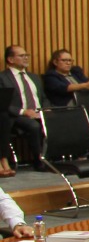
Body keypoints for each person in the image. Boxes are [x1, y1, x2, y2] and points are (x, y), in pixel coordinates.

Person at [0, 46, 47, 175]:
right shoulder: (2, 77)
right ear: (10, 59)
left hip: (40, 112)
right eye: (21, 55)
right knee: (33, 126)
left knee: (63, 119)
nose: (26, 58)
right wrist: (23, 112)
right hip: (17, 116)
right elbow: (3, 103)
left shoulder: (34, 77)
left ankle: (60, 157)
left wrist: (47, 110)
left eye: (27, 55)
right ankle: (38, 161)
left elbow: (43, 97)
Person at [42, 50, 89, 128]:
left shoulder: (75, 73)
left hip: (87, 105)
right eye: (64, 60)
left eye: (70, 60)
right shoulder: (51, 76)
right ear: (55, 62)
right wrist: (84, 85)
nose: (68, 63)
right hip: (67, 109)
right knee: (85, 122)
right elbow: (63, 88)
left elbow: (87, 83)